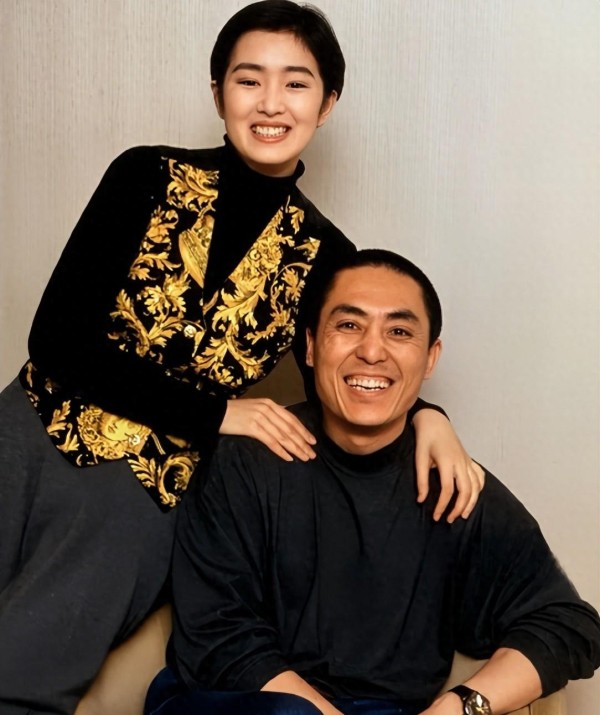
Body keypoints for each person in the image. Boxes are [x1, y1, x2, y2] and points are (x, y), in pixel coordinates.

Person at [0, 3, 481, 714]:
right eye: (249, 79)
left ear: (327, 103)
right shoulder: (144, 175)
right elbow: (57, 340)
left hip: (142, 492)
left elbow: (351, 370)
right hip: (25, 434)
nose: (270, 103)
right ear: (218, 91)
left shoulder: (326, 255)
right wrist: (219, 411)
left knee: (24, 680)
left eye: (296, 83)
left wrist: (430, 416)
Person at [148, 249, 600, 715]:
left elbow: (569, 623)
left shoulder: (451, 482)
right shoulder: (247, 461)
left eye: (399, 332)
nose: (371, 351)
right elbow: (220, 636)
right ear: (310, 346)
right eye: (348, 325)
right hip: (234, 700)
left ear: (430, 358)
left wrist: (461, 706)